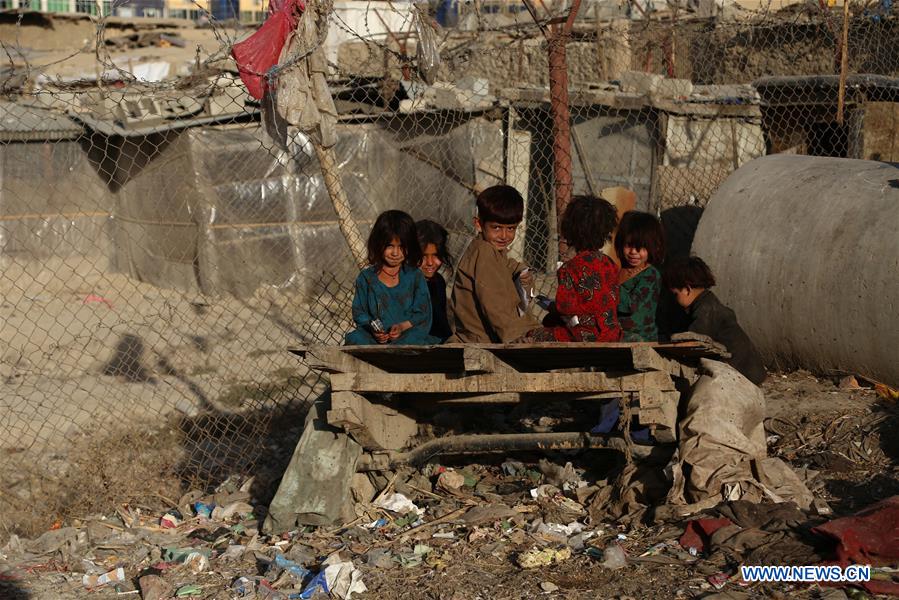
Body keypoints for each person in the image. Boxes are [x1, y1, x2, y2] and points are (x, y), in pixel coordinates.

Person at [449, 185, 538, 343]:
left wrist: (524, 277)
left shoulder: (496, 254)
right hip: (482, 340)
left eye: (511, 228)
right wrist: (518, 336)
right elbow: (495, 304)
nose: (504, 236)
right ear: (478, 224)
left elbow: (518, 281)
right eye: (496, 227)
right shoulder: (484, 254)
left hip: (487, 337)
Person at [528, 195, 622, 342]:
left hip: (584, 334)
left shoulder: (571, 267)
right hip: (612, 333)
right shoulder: (609, 263)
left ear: (569, 230)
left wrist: (552, 307)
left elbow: (565, 306)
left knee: (532, 334)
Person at [663, 256, 766, 384]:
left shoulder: (706, 310)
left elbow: (691, 343)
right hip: (747, 371)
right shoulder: (707, 304)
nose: (674, 299)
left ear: (687, 289)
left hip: (743, 375)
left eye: (675, 294)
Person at [345, 210, 438, 346]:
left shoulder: (414, 276)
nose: (395, 253)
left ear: (410, 246)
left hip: (407, 335)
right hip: (374, 340)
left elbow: (423, 313)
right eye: (389, 246)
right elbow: (359, 312)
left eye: (401, 247)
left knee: (414, 339)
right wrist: (374, 330)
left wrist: (402, 327)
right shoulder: (366, 278)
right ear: (378, 244)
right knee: (355, 338)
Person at [615, 211, 665, 342]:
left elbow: (631, 305)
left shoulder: (651, 275)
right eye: (629, 245)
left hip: (641, 338)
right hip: (617, 333)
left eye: (641, 248)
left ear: (653, 247)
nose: (633, 252)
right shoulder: (619, 271)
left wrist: (608, 287)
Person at [416, 219, 453, 342]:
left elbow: (442, 326)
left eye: (436, 255)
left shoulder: (438, 282)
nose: (430, 263)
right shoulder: (405, 284)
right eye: (423, 256)